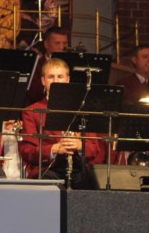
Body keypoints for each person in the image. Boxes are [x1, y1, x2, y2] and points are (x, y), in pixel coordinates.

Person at [19, 58, 104, 187]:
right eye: (51, 77)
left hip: (77, 168)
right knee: (48, 180)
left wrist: (80, 146)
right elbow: (27, 151)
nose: (56, 81)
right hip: (48, 169)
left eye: (60, 77)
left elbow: (95, 148)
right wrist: (53, 149)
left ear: (67, 79)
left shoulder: (81, 109)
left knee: (95, 181)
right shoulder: (31, 111)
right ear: (43, 81)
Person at [25, 26, 69, 105]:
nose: (62, 47)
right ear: (46, 44)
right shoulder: (36, 65)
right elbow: (33, 94)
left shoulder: (70, 65)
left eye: (65, 43)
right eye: (57, 43)